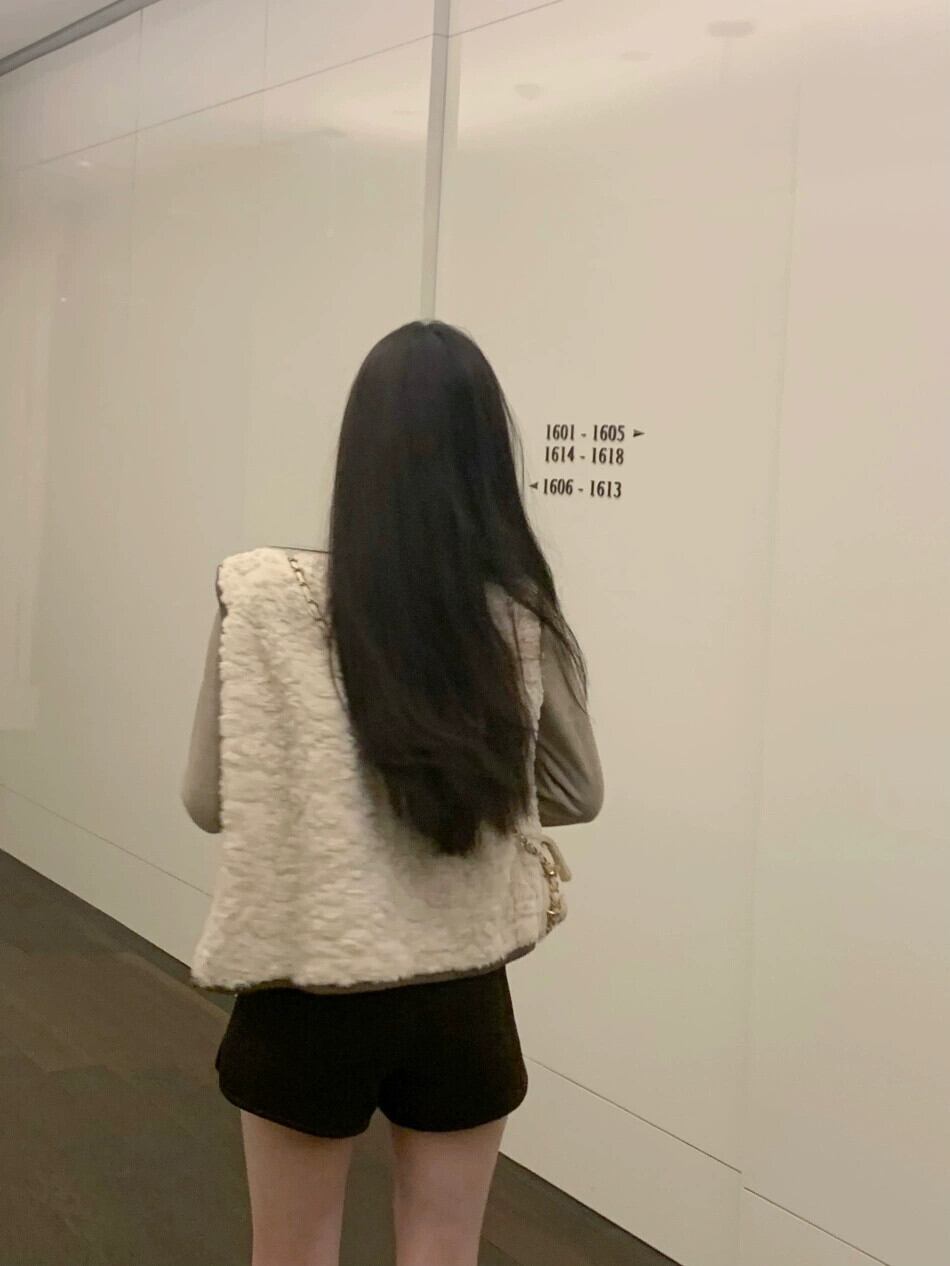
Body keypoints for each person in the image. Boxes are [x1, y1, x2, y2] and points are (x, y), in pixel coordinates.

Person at [181, 320, 603, 1266]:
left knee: (292, 1252)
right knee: (443, 1250)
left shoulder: (264, 598)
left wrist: (330, 797)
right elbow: (576, 790)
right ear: (488, 457)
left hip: (307, 981)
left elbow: (210, 802)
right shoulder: (516, 615)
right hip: (463, 987)